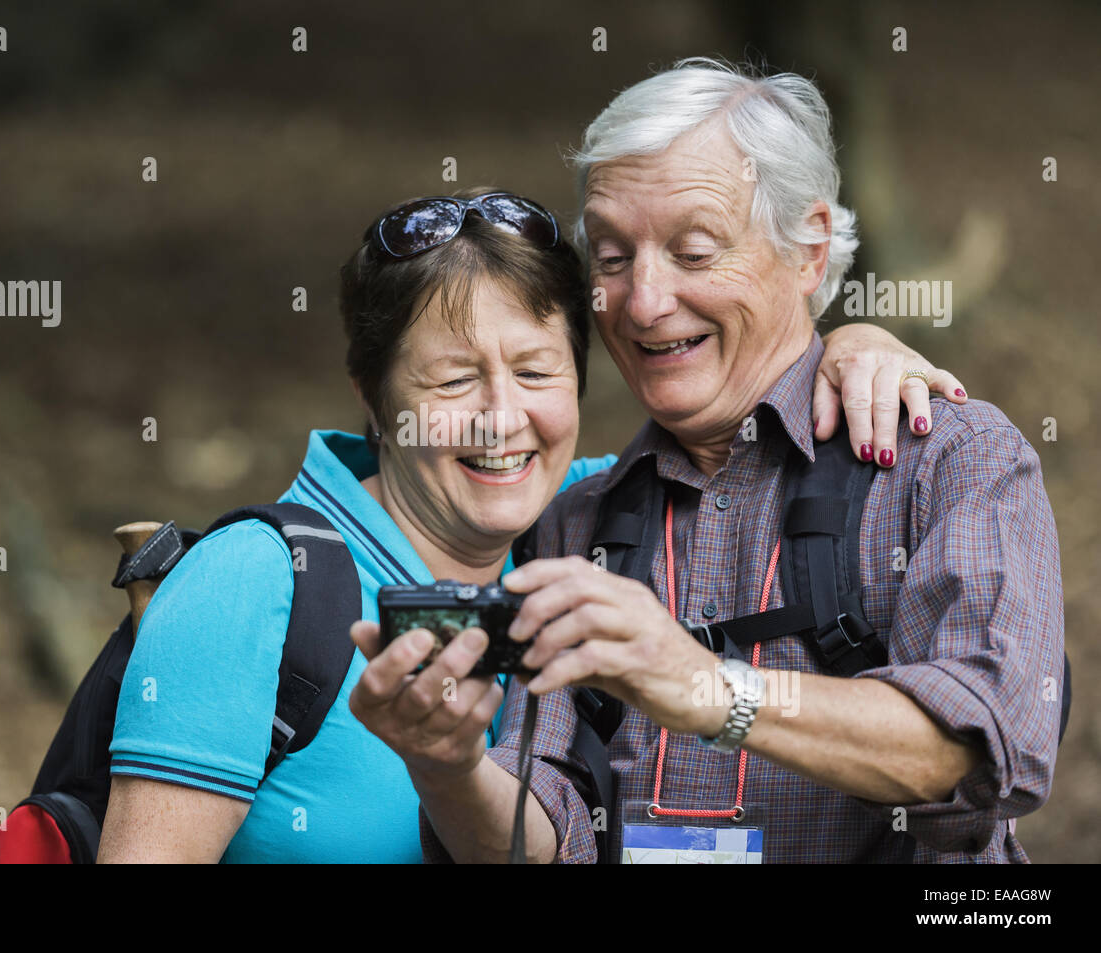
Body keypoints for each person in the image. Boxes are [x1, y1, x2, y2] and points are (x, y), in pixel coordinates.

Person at [98, 183, 966, 862]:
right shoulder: (251, 580)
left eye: (537, 371)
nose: (501, 419)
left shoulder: (605, 514)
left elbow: (757, 438)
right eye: (450, 382)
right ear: (372, 395)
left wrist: (856, 346)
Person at [350, 60, 1064, 863]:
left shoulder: (950, 461)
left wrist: (700, 686)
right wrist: (445, 768)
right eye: (613, 258)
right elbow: (544, 837)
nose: (644, 302)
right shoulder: (577, 521)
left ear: (808, 251)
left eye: (693, 252)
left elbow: (979, 747)